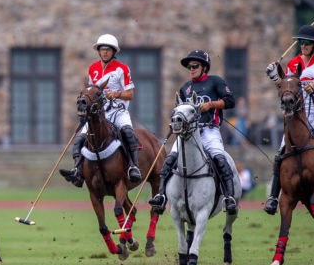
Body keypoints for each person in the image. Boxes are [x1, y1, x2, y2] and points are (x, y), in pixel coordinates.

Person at [263, 24, 314, 214]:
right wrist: (275, 78)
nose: (302, 45)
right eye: (300, 42)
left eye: (306, 42)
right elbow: (286, 90)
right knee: (281, 151)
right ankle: (273, 198)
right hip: (299, 114)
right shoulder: (293, 63)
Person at [149, 49, 239, 214]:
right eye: (189, 66)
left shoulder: (215, 82)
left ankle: (229, 198)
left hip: (209, 130)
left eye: (195, 65)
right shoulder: (186, 88)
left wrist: (211, 105)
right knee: (170, 159)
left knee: (219, 158)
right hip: (188, 133)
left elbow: (231, 101)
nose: (191, 69)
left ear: (204, 67)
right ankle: (161, 196)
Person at [59, 34, 143, 187]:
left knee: (128, 132)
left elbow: (130, 94)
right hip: (98, 113)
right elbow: (90, 92)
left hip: (118, 110)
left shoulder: (122, 68)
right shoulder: (93, 68)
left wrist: (116, 94)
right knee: (80, 139)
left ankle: (133, 167)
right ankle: (77, 171)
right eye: (102, 49)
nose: (104, 52)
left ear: (113, 51)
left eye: (108, 49)